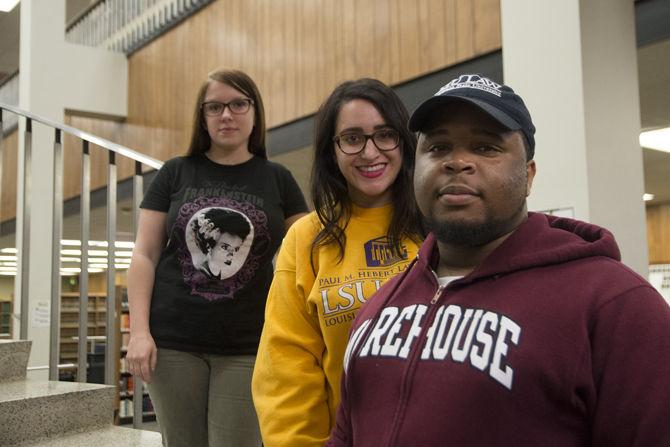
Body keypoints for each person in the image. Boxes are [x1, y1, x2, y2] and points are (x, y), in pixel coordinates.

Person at [327, 74, 670, 446]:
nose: (457, 162)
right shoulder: (380, 307)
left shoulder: (616, 306)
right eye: (438, 147)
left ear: (528, 175)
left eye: (486, 147)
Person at [126, 68, 308, 447]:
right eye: (215, 107)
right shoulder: (175, 173)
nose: (227, 115)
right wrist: (139, 332)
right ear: (203, 116)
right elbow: (144, 254)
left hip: (248, 344)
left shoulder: (278, 179)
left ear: (255, 112)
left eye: (239, 104)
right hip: (173, 342)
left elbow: (308, 250)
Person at [252, 78, 424, 446]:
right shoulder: (306, 238)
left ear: (404, 141)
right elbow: (286, 366)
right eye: (352, 138)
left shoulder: (438, 229)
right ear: (332, 151)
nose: (370, 151)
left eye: (384, 134)